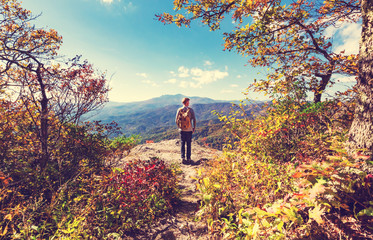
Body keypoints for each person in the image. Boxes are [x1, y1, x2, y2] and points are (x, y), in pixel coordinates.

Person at [175, 97, 196, 165]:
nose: (189, 103)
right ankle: (188, 158)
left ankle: (183, 158)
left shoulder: (179, 110)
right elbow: (194, 120)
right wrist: (193, 128)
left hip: (182, 130)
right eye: (188, 102)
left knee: (182, 143)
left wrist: (179, 127)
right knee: (188, 144)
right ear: (187, 102)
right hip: (189, 130)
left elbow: (176, 120)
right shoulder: (191, 110)